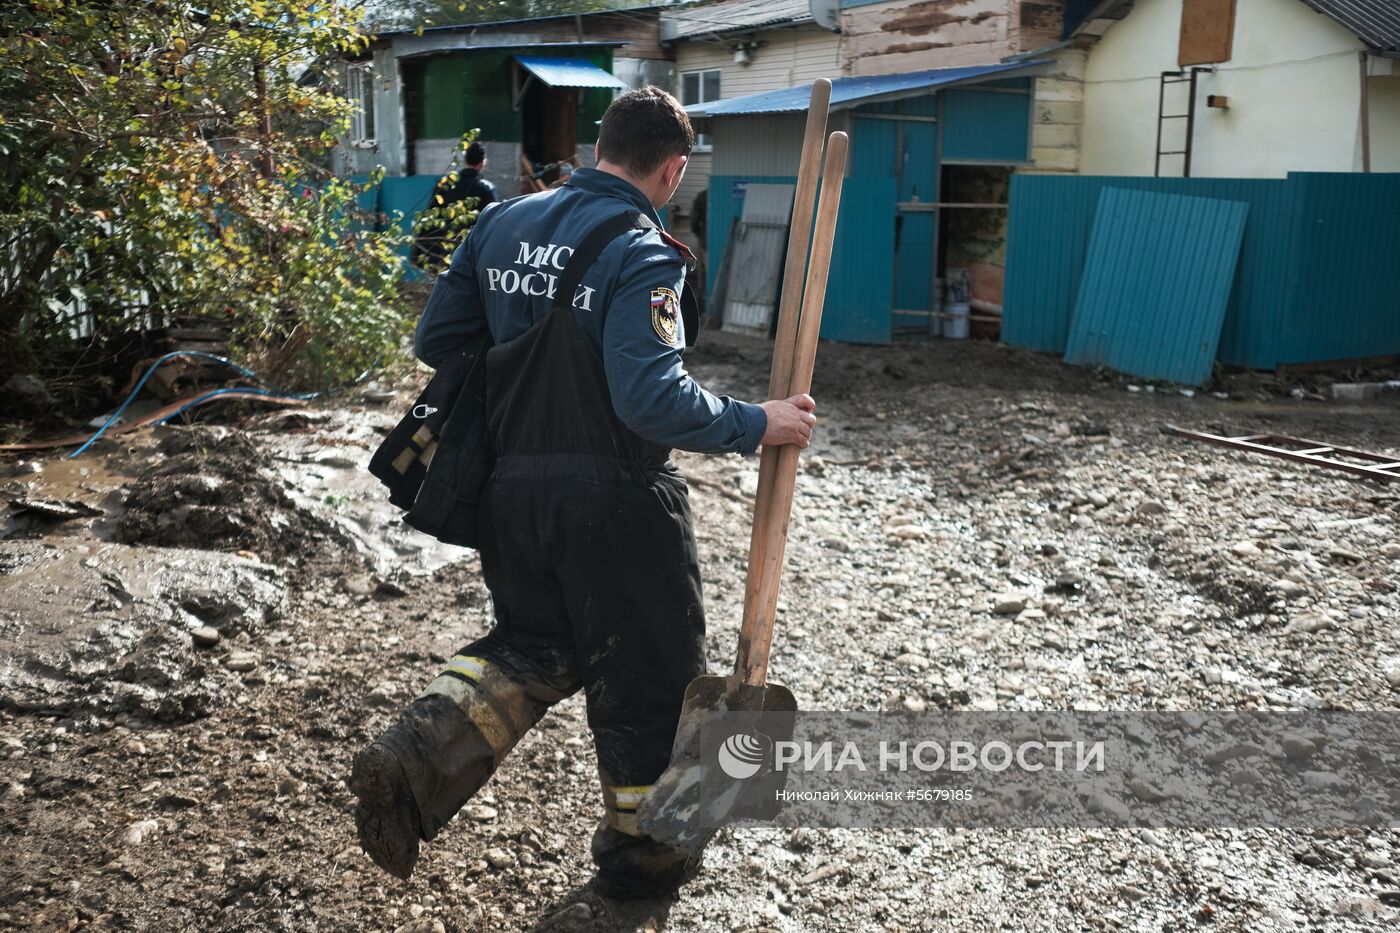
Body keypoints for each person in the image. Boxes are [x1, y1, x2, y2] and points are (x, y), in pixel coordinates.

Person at [349, 86, 817, 899]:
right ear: (672, 170)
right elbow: (650, 400)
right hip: (617, 502)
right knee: (653, 684)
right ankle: (645, 861)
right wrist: (758, 420)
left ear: (601, 146)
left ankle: (413, 760)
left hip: (510, 498)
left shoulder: (501, 223)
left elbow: (438, 339)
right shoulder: (645, 251)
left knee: (536, 645)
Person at [413, 142, 497, 269]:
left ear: (465, 160)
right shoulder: (486, 189)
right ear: (482, 163)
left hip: (442, 252)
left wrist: (420, 253)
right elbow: (493, 224)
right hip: (472, 256)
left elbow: (430, 217)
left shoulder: (446, 184)